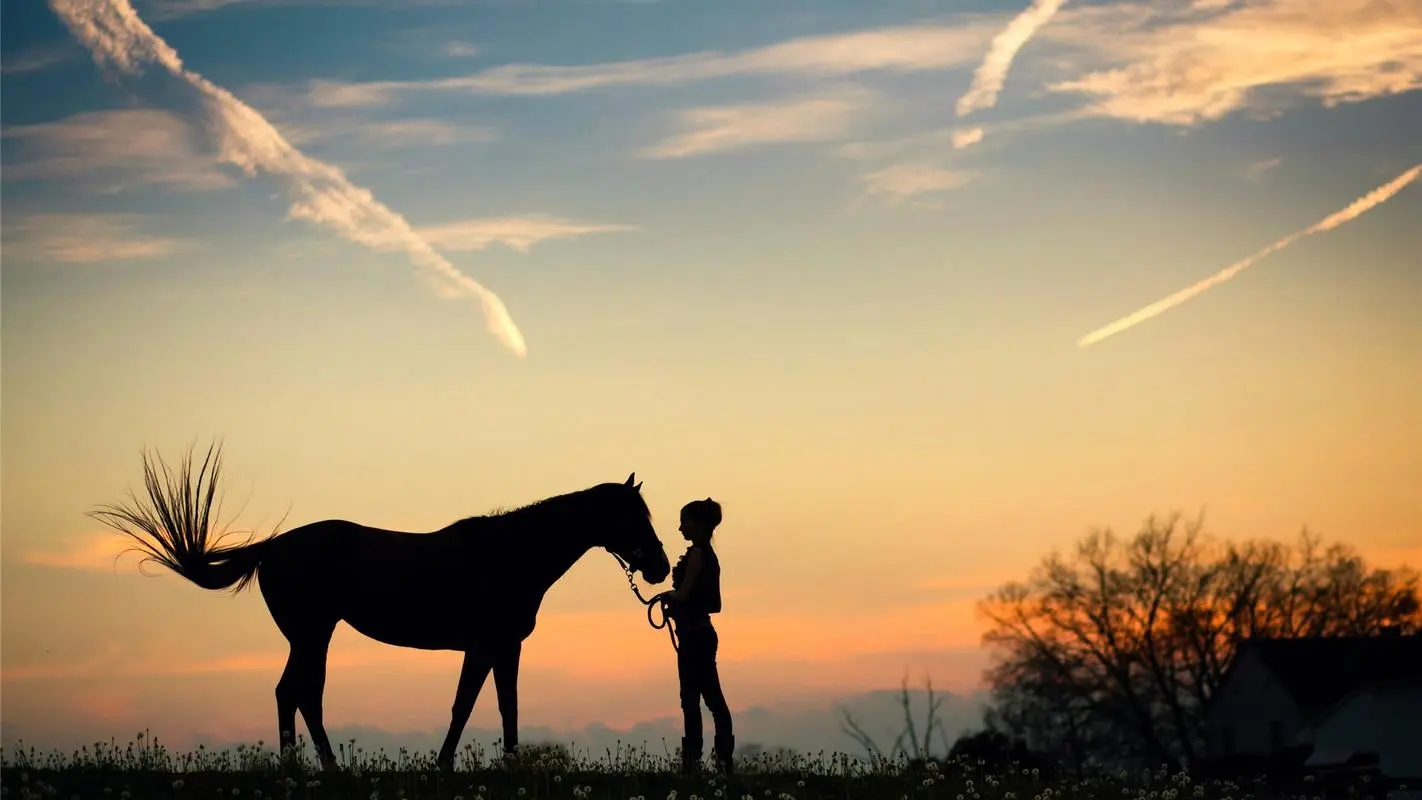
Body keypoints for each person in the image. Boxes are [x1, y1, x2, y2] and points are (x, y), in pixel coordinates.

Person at [663, 497, 734, 776]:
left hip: (694, 636)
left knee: (696, 701)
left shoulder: (698, 555)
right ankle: (720, 762)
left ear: (699, 525)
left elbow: (683, 593)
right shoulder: (708, 555)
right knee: (706, 699)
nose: (680, 528)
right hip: (698, 633)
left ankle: (696, 764)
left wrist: (670, 597)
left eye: (685, 522)